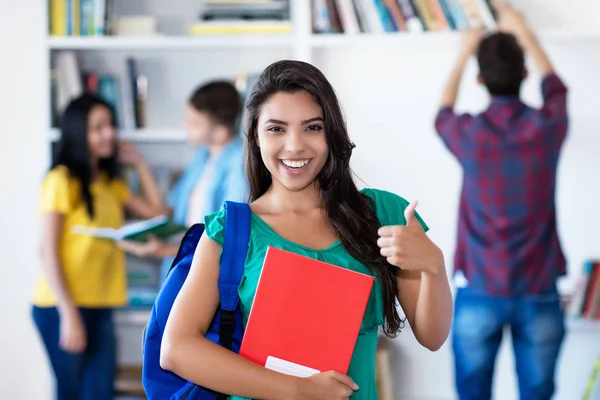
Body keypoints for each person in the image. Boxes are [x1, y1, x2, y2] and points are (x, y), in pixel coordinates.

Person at [158, 59, 453, 400]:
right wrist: (299, 390)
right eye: (276, 129)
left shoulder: (381, 213)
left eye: (312, 127)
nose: (295, 145)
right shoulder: (231, 231)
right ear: (255, 135)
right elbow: (177, 349)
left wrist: (433, 265)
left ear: (333, 133)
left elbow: (433, 337)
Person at [434, 3, 569, 400]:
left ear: (479, 79)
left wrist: (464, 50)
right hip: (539, 288)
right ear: (525, 75)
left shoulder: (469, 134)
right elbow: (557, 89)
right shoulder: (548, 127)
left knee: (472, 394)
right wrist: (525, 32)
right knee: (538, 394)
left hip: (480, 286)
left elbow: (442, 113)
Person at [32, 93, 168, 400]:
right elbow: (47, 250)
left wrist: (139, 164)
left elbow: (161, 214)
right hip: (61, 306)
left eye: (110, 125)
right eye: (98, 127)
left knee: (99, 393)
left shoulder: (111, 184)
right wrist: (68, 314)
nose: (109, 134)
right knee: (71, 393)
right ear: (80, 132)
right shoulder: (61, 180)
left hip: (101, 305)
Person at [118, 80, 247, 286]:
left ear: (220, 131)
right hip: (184, 267)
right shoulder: (202, 158)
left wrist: (165, 251)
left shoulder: (239, 164)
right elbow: (166, 212)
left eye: (194, 123)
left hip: (207, 276)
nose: (184, 125)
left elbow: (227, 235)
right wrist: (140, 165)